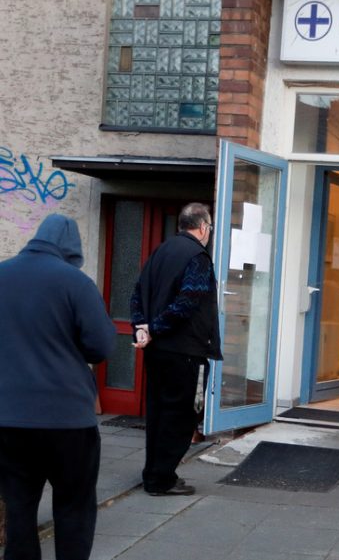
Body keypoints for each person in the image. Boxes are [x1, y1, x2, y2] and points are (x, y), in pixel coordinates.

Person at [0, 214, 116, 560]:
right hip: (68, 419)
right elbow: (101, 346)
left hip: (9, 418)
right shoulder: (76, 283)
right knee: (74, 507)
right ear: (71, 249)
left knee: (19, 508)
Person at [130, 203, 221, 496]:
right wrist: (154, 328)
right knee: (184, 414)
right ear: (203, 227)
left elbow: (137, 293)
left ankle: (154, 473)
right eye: (210, 228)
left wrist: (142, 328)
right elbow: (188, 301)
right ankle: (162, 479)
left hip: (158, 351)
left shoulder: (160, 252)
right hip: (187, 352)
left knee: (158, 412)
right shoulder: (198, 257)